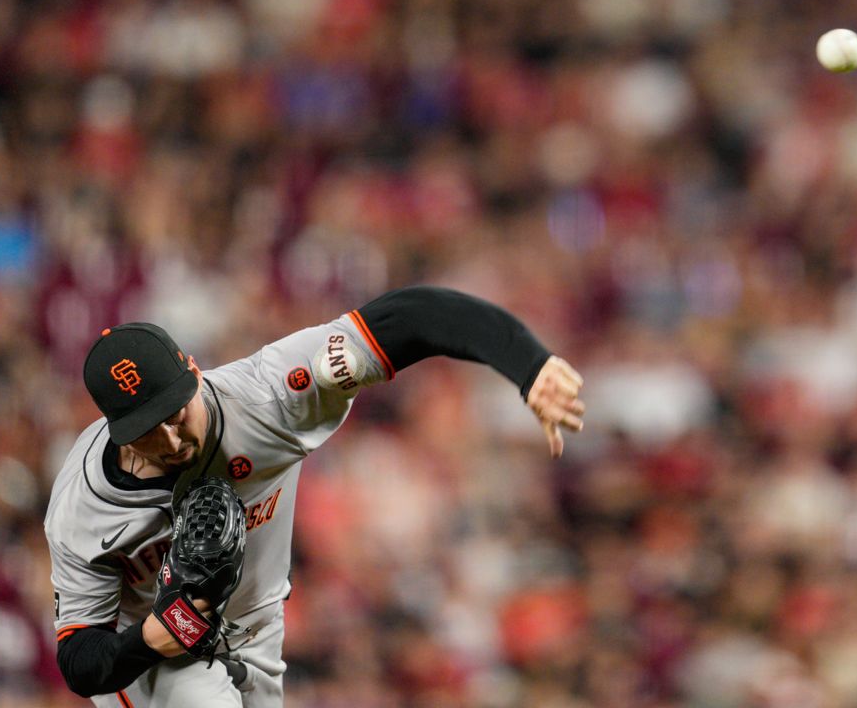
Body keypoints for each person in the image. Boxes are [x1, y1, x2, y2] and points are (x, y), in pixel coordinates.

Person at [44, 286, 586, 706]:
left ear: (193, 373)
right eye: (144, 429)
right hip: (156, 657)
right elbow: (80, 659)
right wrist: (157, 637)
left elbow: (414, 318)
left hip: (256, 625)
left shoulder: (270, 395)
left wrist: (527, 363)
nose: (169, 438)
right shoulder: (84, 510)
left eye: (174, 413)